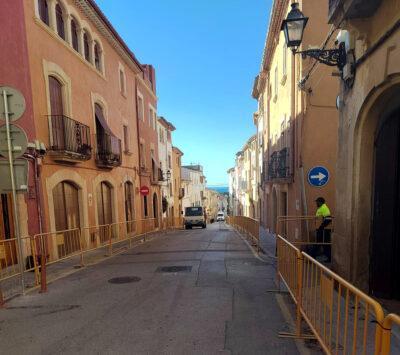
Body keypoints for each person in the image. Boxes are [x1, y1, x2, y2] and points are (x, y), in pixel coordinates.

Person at [315, 197, 332, 262]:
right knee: (322, 244)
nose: (316, 203)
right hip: (321, 229)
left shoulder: (324, 208)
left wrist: (321, 227)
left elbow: (328, 218)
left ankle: (311, 257)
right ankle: (329, 258)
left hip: (324, 230)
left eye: (317, 202)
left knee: (324, 244)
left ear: (321, 202)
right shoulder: (321, 208)